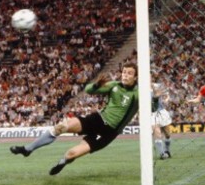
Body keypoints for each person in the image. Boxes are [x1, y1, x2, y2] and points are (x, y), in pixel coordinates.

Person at [10, 62, 139, 175]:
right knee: (61, 127)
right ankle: (28, 149)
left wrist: (155, 99)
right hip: (97, 119)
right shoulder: (114, 85)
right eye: (124, 72)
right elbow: (88, 90)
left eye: (129, 73)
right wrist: (95, 86)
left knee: (71, 154)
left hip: (108, 132)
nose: (125, 75)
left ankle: (63, 162)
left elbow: (152, 107)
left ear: (135, 77)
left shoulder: (138, 93)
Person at [151, 81, 173, 159]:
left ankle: (167, 150)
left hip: (161, 111)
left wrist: (166, 99)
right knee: (157, 132)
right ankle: (162, 154)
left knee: (167, 134)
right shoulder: (139, 88)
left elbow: (167, 93)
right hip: (150, 113)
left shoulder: (158, 85)